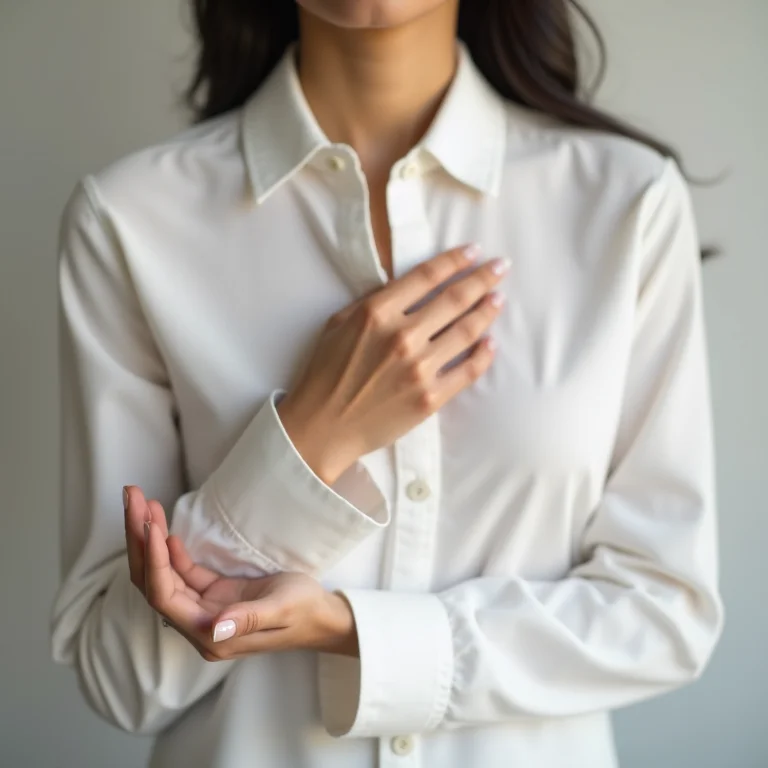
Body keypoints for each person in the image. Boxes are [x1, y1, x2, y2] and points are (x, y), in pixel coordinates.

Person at [49, 1, 724, 767]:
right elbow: (121, 679)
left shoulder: (626, 203)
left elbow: (666, 615)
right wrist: (308, 441)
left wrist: (355, 633)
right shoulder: (130, 222)